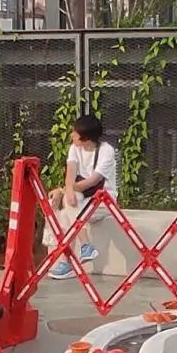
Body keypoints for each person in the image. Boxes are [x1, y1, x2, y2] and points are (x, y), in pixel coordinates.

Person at [49, 114, 119, 280]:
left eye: (75, 133)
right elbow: (70, 174)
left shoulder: (106, 151)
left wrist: (64, 191)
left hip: (103, 200)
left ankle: (67, 261)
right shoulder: (74, 148)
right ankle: (85, 246)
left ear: (85, 138)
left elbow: (93, 181)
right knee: (65, 205)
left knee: (67, 206)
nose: (72, 135)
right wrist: (66, 190)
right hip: (82, 198)